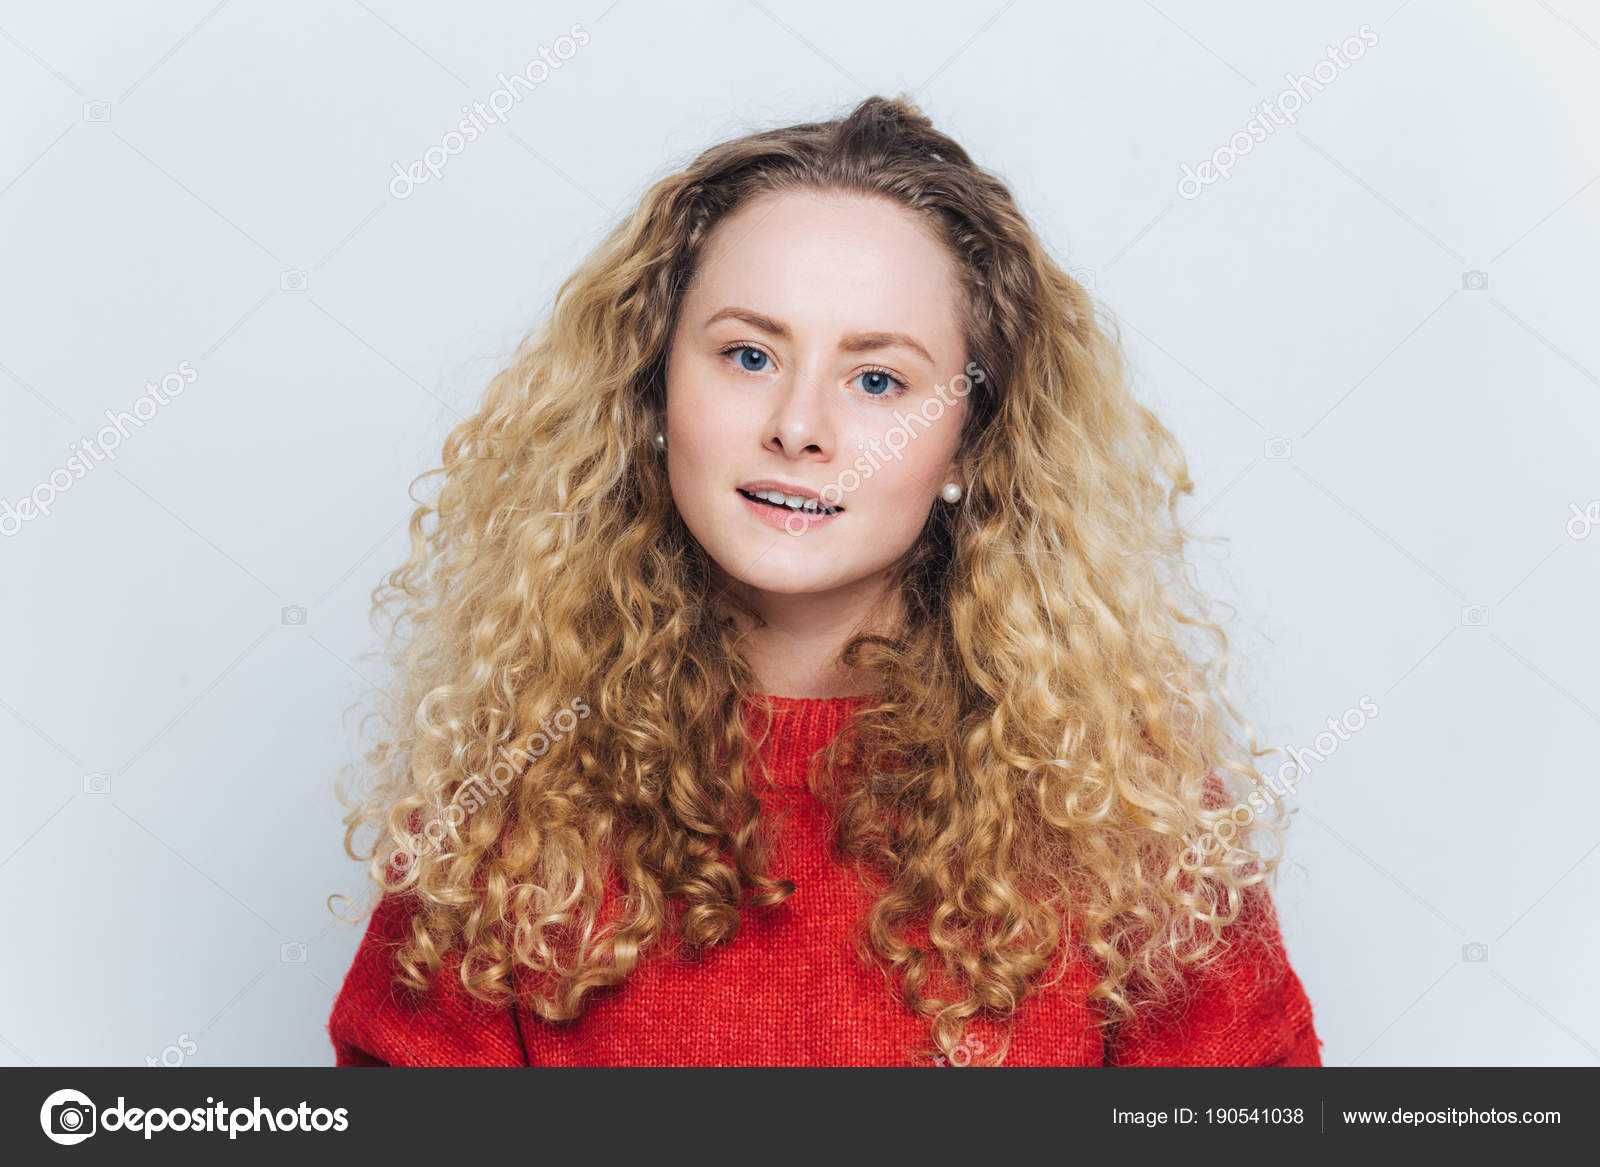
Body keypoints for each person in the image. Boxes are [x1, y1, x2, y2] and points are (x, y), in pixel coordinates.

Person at [326, 94, 1321, 1067]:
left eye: (877, 379)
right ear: (653, 393)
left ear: (973, 444)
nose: (797, 426)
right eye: (748, 354)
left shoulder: (1117, 809)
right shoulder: (510, 798)